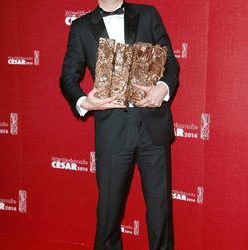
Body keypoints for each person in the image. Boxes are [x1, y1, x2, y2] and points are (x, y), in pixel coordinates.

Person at [60, 0, 179, 249]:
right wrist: (85, 102)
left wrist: (163, 88)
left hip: (152, 127)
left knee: (160, 212)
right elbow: (67, 78)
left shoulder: (148, 14)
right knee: (108, 213)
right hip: (111, 130)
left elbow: (171, 63)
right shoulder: (81, 27)